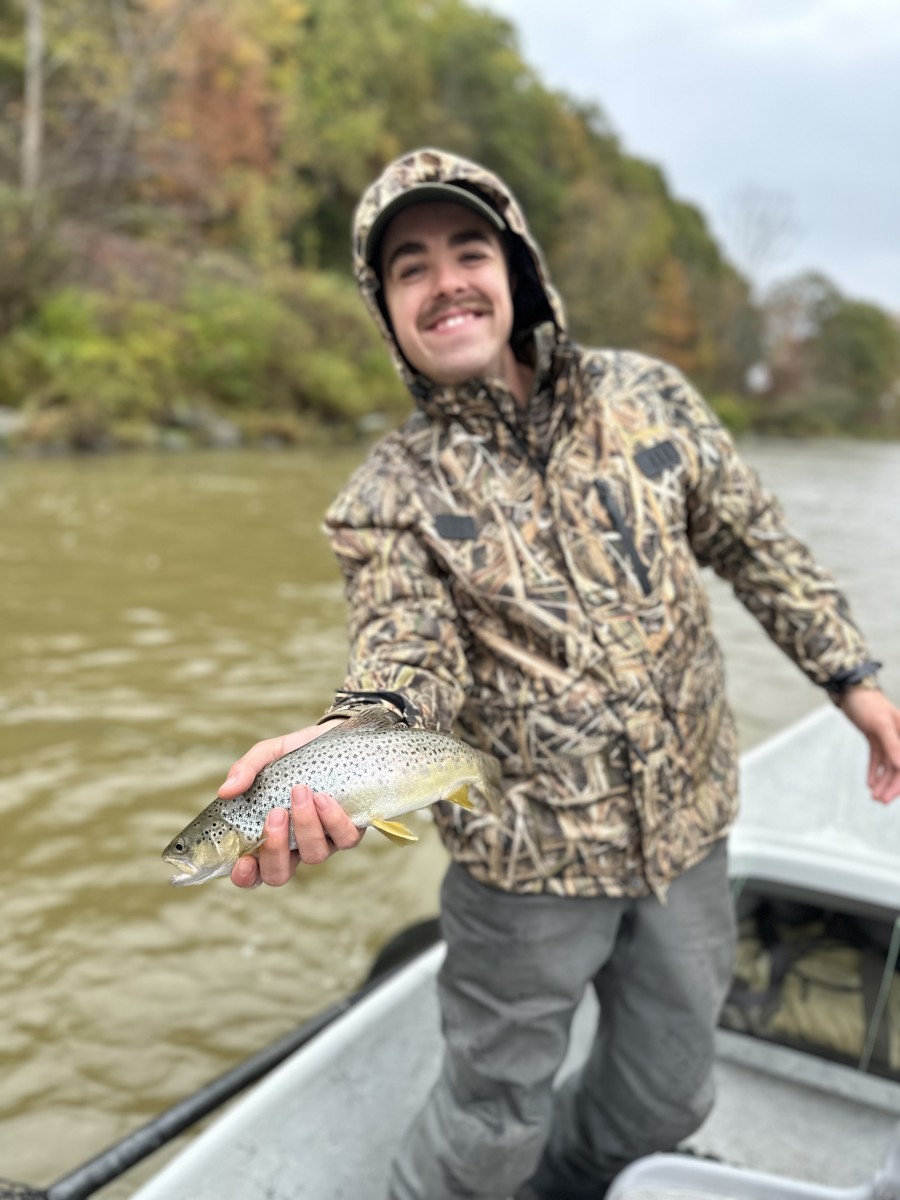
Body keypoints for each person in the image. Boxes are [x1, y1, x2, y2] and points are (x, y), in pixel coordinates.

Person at [220, 148, 900, 1199]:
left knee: (669, 1101)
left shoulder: (652, 398)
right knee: (489, 1126)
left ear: (518, 268)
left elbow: (756, 547)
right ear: (386, 309)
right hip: (520, 877)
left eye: (468, 249)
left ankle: (568, 1189)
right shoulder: (385, 496)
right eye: (409, 266)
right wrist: (354, 737)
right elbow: (407, 653)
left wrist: (854, 682)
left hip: (690, 838)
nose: (445, 279)